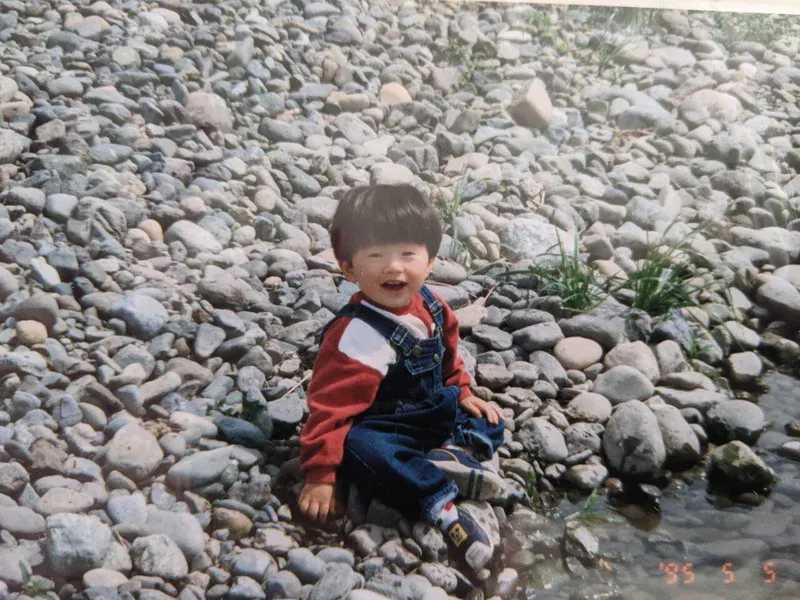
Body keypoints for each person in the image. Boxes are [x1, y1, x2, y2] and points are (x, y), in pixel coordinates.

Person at [298, 184, 506, 571]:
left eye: (408, 254)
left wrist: (462, 392)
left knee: (489, 417)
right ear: (348, 267)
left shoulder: (432, 304)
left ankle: (458, 454)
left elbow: (448, 356)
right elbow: (329, 408)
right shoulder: (355, 335)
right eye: (376, 255)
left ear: (430, 263)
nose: (394, 267)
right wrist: (320, 475)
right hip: (385, 427)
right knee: (362, 449)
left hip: (431, 411)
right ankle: (444, 509)